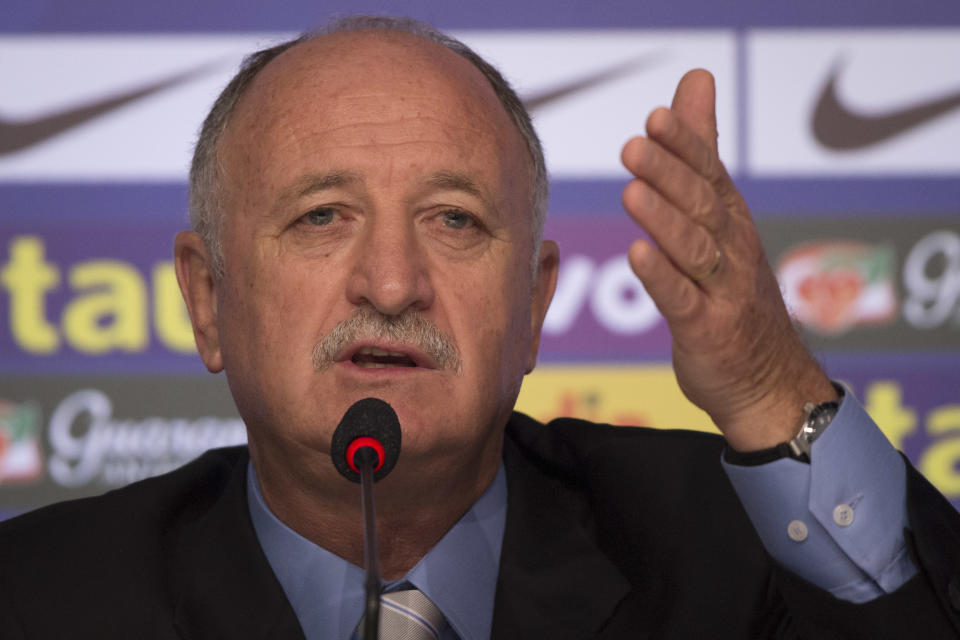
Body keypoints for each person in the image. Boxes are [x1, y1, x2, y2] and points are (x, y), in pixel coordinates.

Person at [1, 15, 959, 639]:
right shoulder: (41, 597)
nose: (391, 282)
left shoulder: (730, 551)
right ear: (207, 300)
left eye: (455, 220)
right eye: (322, 216)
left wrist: (765, 386)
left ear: (536, 306)